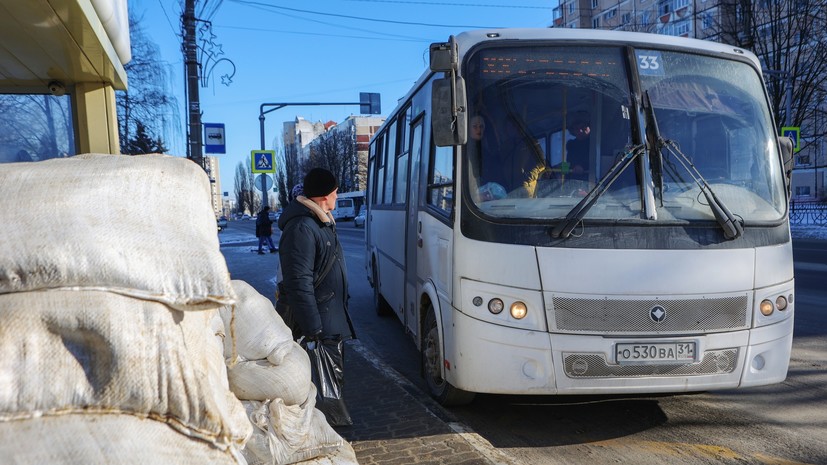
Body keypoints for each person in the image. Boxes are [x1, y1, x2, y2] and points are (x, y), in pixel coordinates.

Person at [277, 167, 355, 426]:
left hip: (329, 319)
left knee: (332, 383)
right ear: (324, 196)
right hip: (319, 324)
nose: (337, 196)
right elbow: (299, 283)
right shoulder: (302, 227)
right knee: (322, 389)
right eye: (335, 192)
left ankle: (330, 431)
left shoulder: (320, 220)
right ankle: (326, 432)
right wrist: (313, 329)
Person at [564, 111, 591, 181]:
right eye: (577, 129)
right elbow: (568, 163)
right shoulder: (571, 146)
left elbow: (597, 162)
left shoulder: (596, 142)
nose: (580, 131)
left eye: (583, 127)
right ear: (572, 131)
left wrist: (583, 167)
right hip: (575, 182)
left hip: (592, 181)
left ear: (589, 128)